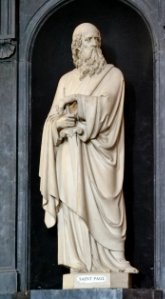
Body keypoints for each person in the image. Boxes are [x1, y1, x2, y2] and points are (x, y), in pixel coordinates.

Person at [39, 23, 138, 274]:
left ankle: (114, 259)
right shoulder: (66, 80)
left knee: (109, 204)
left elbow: (107, 108)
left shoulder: (113, 76)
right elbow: (51, 120)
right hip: (70, 157)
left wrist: (78, 103)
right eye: (87, 40)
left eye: (96, 39)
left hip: (100, 156)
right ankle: (79, 264)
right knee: (73, 204)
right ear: (76, 47)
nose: (93, 45)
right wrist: (58, 125)